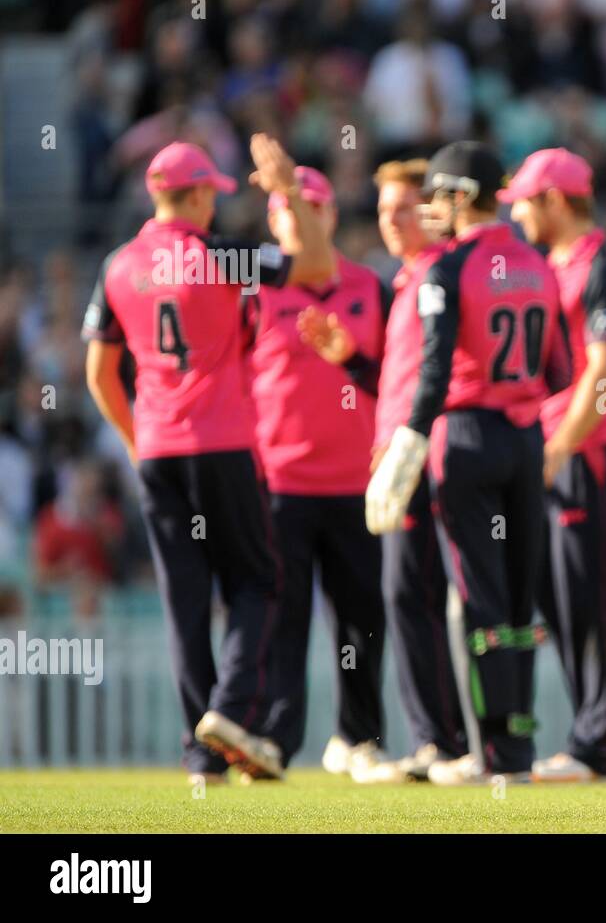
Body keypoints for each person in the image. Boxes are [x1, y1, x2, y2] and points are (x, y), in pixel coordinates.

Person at [82, 137, 335, 784]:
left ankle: (201, 755)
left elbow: (99, 373)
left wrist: (138, 438)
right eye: (210, 196)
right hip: (221, 443)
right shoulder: (219, 256)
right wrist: (284, 191)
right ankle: (226, 713)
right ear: (195, 195)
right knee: (259, 581)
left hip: (160, 451)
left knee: (184, 602)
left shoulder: (117, 265)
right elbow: (311, 264)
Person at [365, 142, 570, 784]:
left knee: (477, 599)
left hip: (466, 438)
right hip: (526, 436)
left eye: (435, 195)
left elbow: (431, 373)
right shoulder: (538, 263)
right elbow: (560, 369)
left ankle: (488, 755)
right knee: (516, 602)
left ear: (458, 196)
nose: (429, 209)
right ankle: (519, 747)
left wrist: (406, 446)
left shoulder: (447, 268)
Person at [301, 159, 468, 780]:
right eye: (382, 211)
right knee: (409, 595)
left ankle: (447, 743)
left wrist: (409, 441)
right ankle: (440, 741)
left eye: (403, 208)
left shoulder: (437, 279)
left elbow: (437, 378)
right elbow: (397, 381)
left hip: (430, 452)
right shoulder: (408, 281)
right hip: (406, 452)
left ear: (431, 211)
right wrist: (352, 361)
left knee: (419, 593)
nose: (391, 222)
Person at [499, 148, 606, 781]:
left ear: (556, 201)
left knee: (589, 598)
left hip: (589, 451)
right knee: (559, 600)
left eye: (526, 204)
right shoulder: (547, 266)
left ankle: (598, 748)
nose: (518, 217)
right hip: (557, 449)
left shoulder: (602, 268)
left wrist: (559, 447)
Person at [243, 165, 393, 782]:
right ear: (273, 220)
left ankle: (359, 739)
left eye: (310, 208)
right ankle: (275, 739)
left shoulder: (371, 287)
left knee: (362, 620)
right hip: (280, 483)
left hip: (357, 485)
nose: (297, 220)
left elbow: (395, 373)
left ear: (330, 216)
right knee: (284, 619)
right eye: (284, 209)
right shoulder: (255, 290)